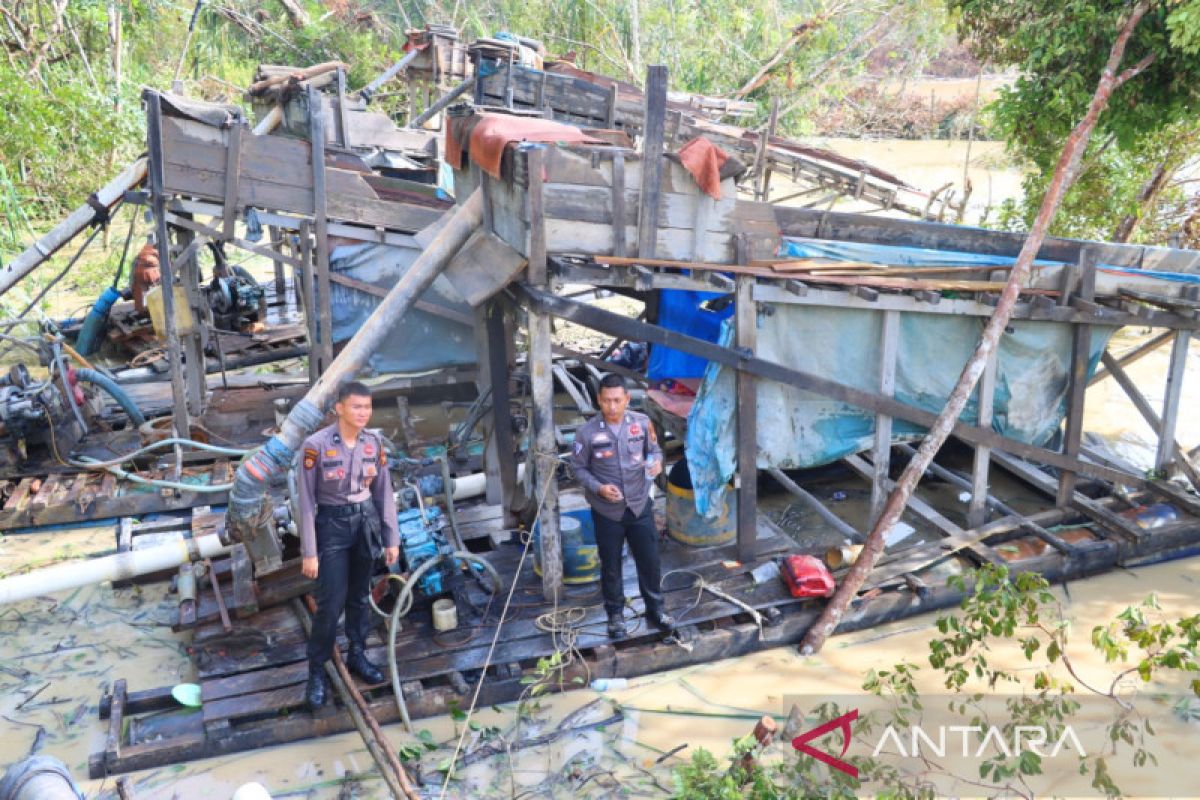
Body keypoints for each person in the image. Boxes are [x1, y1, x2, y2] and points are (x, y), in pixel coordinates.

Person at [297, 381, 400, 710]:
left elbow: (384, 493)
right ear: (339, 408)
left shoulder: (374, 443)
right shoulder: (315, 446)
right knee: (331, 602)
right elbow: (305, 502)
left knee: (360, 596)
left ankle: (358, 654)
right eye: (356, 407)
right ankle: (317, 671)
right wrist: (310, 551)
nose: (363, 413)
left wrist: (391, 538)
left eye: (367, 407)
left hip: (365, 524)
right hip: (332, 528)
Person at [571, 373, 673, 639]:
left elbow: (656, 451)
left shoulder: (641, 423)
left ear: (627, 399)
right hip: (608, 512)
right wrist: (599, 488)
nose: (612, 407)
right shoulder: (587, 432)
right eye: (606, 401)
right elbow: (578, 469)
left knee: (649, 560)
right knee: (611, 565)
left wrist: (657, 462)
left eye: (617, 400)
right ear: (598, 400)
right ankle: (615, 615)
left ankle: (656, 609)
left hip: (640, 505)